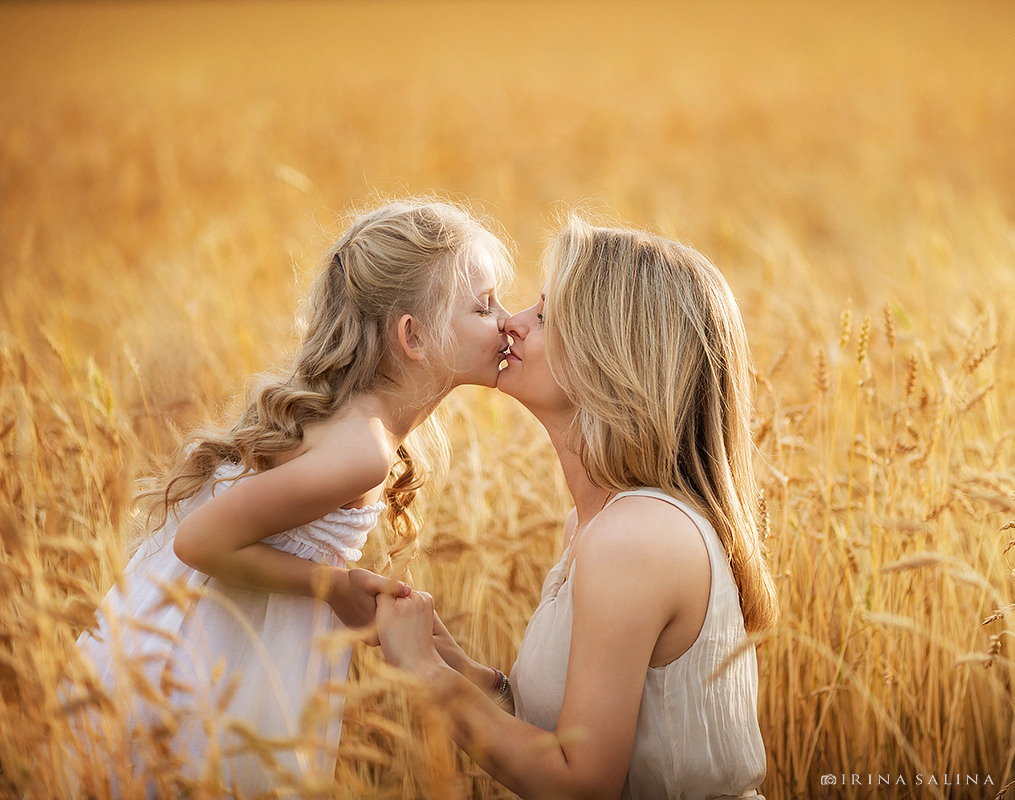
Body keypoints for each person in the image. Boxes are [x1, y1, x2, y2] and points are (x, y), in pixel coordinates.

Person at [64, 198, 512, 796]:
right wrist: (336, 586)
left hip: (213, 630)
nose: (507, 320)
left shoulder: (362, 425)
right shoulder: (365, 450)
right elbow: (200, 540)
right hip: (199, 662)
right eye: (485, 307)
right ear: (413, 335)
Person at [376, 216, 778, 799]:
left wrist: (429, 677)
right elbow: (558, 737)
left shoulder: (636, 536)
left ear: (609, 356)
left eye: (542, 316)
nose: (508, 323)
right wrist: (456, 665)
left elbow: (581, 787)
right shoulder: (599, 525)